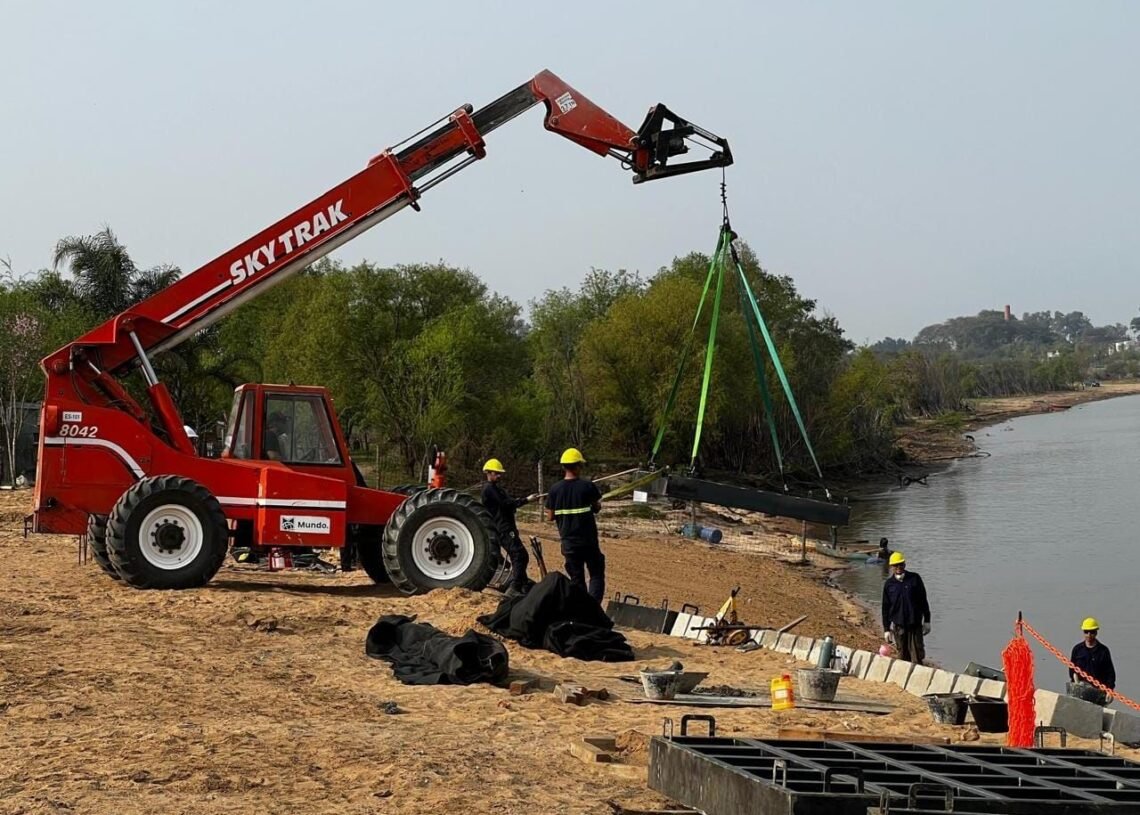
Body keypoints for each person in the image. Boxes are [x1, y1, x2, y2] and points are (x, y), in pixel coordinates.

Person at [544, 447, 604, 602]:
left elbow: (550, 516)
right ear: (578, 466)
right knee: (596, 574)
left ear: (564, 467)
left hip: (569, 544)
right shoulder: (587, 486)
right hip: (588, 542)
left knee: (577, 579)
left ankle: (581, 610)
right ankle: (594, 609)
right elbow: (597, 507)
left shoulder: (554, 490)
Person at [480, 457, 539, 597]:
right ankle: (515, 587)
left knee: (520, 555)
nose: (499, 475)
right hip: (503, 528)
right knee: (519, 555)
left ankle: (522, 584)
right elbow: (506, 504)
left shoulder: (496, 489)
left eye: (500, 473)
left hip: (507, 527)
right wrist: (527, 500)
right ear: (488, 472)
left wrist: (523, 501)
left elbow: (509, 502)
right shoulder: (489, 489)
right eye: (496, 473)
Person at [881, 552, 932, 664]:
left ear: (904, 564)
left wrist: (927, 620)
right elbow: (885, 608)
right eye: (895, 565)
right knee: (902, 656)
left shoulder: (915, 579)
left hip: (915, 625)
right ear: (891, 567)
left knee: (917, 656)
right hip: (899, 627)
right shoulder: (889, 584)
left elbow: (923, 600)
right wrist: (886, 629)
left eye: (900, 564)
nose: (898, 568)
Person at [1069, 617, 1115, 706]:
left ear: (1096, 632)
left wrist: (1110, 690)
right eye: (1086, 632)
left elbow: (1110, 673)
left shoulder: (1103, 651)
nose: (1089, 635)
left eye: (1092, 632)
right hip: (1080, 690)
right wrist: (1075, 679)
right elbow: (1072, 669)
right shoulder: (1077, 650)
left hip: (1098, 692)